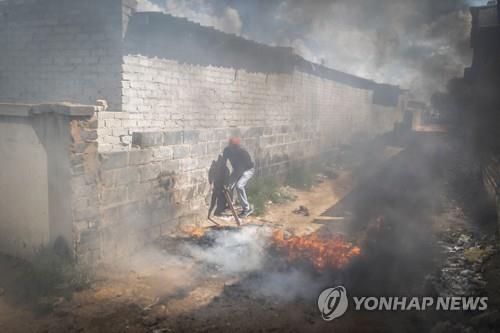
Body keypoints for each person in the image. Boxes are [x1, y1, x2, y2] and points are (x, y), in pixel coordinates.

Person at [223, 136, 255, 218]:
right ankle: (231, 204)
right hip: (237, 169)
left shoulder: (243, 153)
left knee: (239, 185)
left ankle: (247, 209)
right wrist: (230, 184)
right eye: (230, 145)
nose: (232, 147)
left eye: (234, 146)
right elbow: (224, 162)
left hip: (248, 170)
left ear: (237, 146)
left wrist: (233, 182)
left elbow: (241, 169)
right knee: (228, 186)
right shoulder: (227, 150)